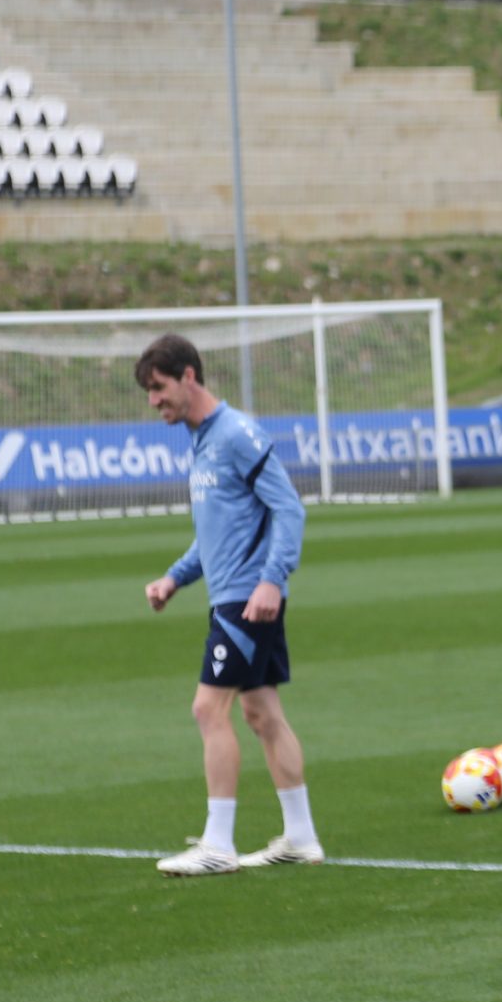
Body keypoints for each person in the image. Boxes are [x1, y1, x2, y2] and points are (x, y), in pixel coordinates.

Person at [138, 335, 323, 876]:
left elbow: (288, 509)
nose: (153, 401)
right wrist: (174, 578)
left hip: (246, 601)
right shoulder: (202, 440)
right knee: (262, 713)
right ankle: (301, 837)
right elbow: (217, 533)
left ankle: (218, 844)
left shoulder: (237, 433)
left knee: (207, 709)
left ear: (188, 376)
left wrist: (272, 579)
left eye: (159, 387)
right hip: (235, 597)